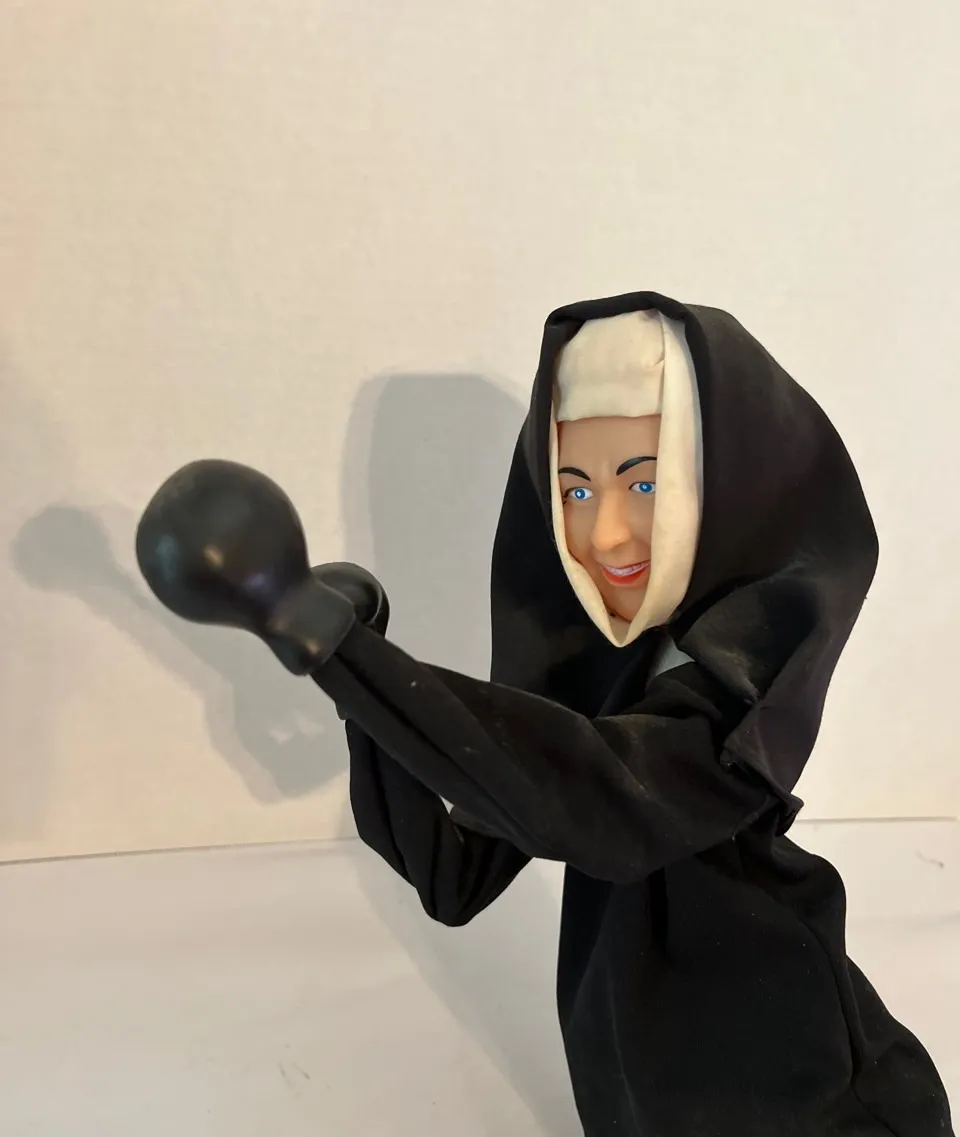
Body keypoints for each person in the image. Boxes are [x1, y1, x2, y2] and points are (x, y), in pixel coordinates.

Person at [317, 292, 953, 1136]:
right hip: (627, 1073)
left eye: (644, 482)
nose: (606, 533)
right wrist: (353, 683)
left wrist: (351, 661)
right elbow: (455, 875)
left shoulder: (740, 689)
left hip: (785, 1070)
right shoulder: (604, 677)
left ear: (727, 483)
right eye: (575, 489)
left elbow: (613, 797)